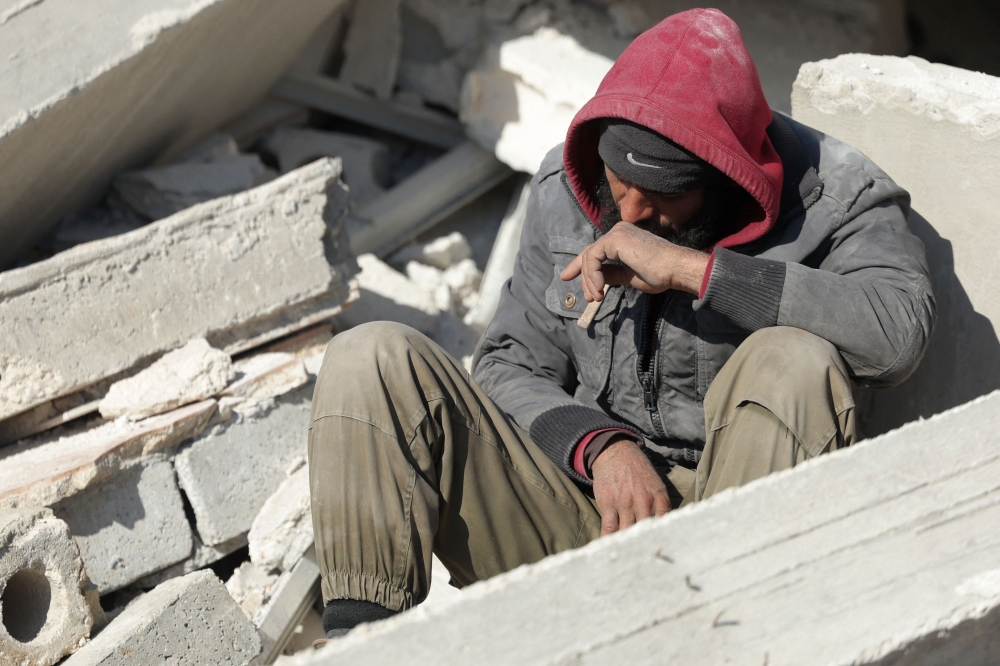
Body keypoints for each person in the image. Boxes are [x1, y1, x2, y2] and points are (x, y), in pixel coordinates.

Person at [307, 8, 935, 639]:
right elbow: (506, 363)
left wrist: (696, 271)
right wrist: (600, 447)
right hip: (589, 510)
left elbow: (897, 335)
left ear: (722, 181)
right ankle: (362, 648)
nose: (629, 214)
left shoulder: (837, 200)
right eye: (620, 183)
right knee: (371, 358)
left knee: (794, 359)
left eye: (661, 199)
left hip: (739, 544)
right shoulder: (563, 187)